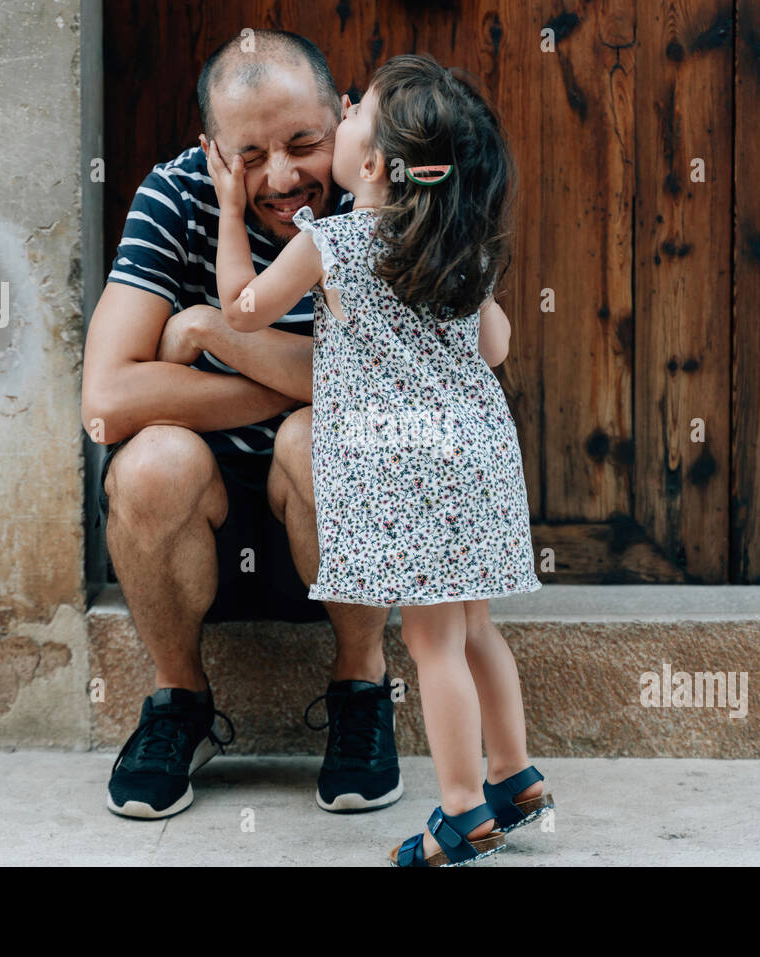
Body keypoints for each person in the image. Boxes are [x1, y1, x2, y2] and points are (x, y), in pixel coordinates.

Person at [203, 53, 554, 866]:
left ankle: (464, 810)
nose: (349, 104)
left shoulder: (332, 244)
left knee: (431, 647)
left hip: (406, 471)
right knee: (474, 631)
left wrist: (230, 211)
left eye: (358, 111)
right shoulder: (460, 248)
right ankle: (516, 772)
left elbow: (243, 310)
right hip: (477, 458)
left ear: (369, 165)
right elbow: (495, 347)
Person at [81, 30, 402, 820]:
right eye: (250, 154)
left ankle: (362, 683)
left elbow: (396, 385)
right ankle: (179, 701)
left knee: (319, 437)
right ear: (212, 151)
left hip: (339, 523)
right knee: (152, 461)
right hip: (202, 538)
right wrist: (303, 381)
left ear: (348, 116)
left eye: (304, 142)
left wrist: (217, 336)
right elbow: (110, 402)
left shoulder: (385, 197)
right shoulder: (174, 197)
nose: (284, 177)